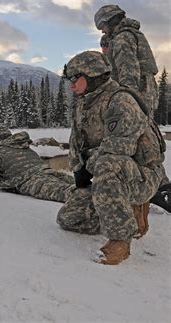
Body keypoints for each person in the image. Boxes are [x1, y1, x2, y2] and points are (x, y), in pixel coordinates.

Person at [58, 51, 166, 265]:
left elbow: (119, 149)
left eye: (74, 79)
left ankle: (120, 240)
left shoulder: (121, 101)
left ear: (91, 75)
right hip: (107, 171)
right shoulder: (85, 102)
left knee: (108, 165)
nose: (71, 86)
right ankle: (127, 213)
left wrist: (88, 165)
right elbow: (76, 140)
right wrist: (78, 169)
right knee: (68, 219)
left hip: (140, 174)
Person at [0, 123, 75, 203]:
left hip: (29, 180)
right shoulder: (20, 143)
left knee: (72, 195)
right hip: (47, 171)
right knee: (82, 185)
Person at [94, 4, 159, 116]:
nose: (103, 31)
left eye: (102, 26)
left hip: (135, 95)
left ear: (111, 20)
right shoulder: (132, 33)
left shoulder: (122, 38)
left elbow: (128, 73)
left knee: (131, 130)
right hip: (145, 92)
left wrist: (127, 102)